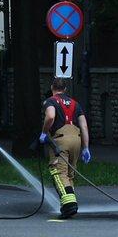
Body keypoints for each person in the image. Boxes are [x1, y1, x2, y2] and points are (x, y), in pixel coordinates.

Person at [39, 78, 91, 219]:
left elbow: (50, 116)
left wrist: (44, 133)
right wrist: (86, 148)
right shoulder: (75, 104)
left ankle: (69, 205)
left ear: (52, 87)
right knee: (69, 174)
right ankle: (67, 204)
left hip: (60, 141)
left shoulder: (50, 101)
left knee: (58, 172)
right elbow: (84, 126)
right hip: (76, 140)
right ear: (65, 89)